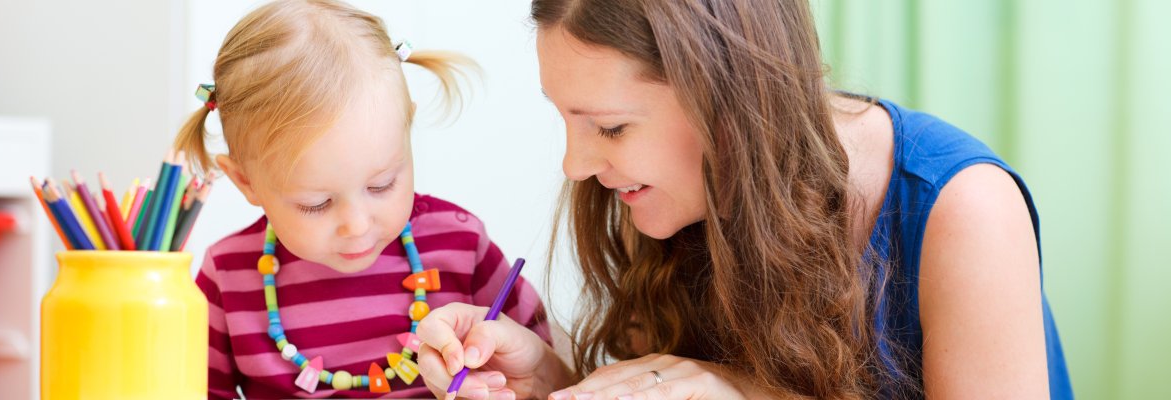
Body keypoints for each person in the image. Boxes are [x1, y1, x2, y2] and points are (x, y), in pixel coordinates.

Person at [416, 0, 1072, 398]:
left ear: (729, 100)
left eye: (610, 127)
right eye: (567, 120)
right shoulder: (667, 202)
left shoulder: (963, 208)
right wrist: (553, 384)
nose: (577, 165)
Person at [175, 1, 550, 398]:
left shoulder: (461, 246)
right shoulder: (227, 276)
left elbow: (538, 367)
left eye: (382, 184)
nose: (357, 224)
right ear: (246, 181)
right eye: (316, 203)